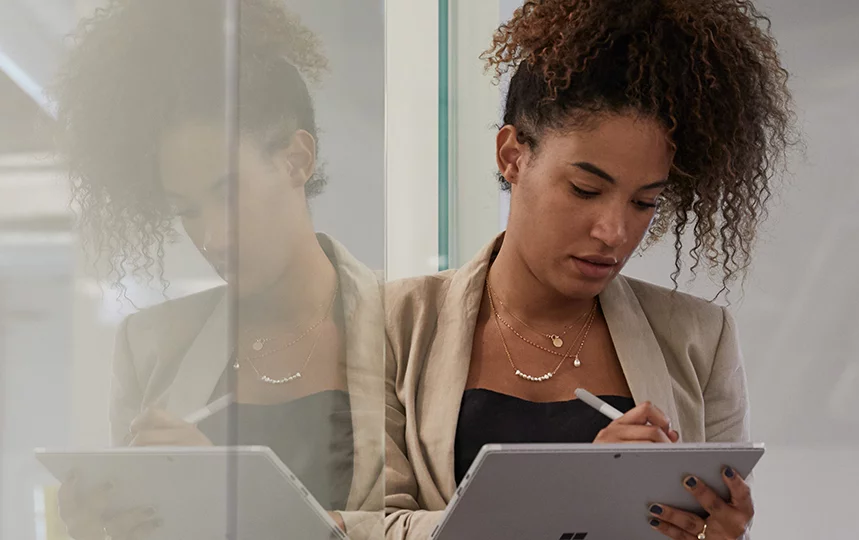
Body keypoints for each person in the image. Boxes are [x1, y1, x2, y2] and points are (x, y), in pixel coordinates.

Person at [383, 0, 795, 539]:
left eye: (644, 202)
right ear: (512, 155)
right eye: (586, 190)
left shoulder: (698, 339)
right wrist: (572, 494)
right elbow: (361, 526)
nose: (614, 232)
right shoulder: (394, 324)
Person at [49, 0, 383, 538]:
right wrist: (100, 530)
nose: (212, 237)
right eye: (187, 209)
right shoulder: (151, 348)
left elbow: (444, 522)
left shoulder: (414, 331)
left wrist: (231, 499)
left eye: (228, 194)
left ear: (297, 159)